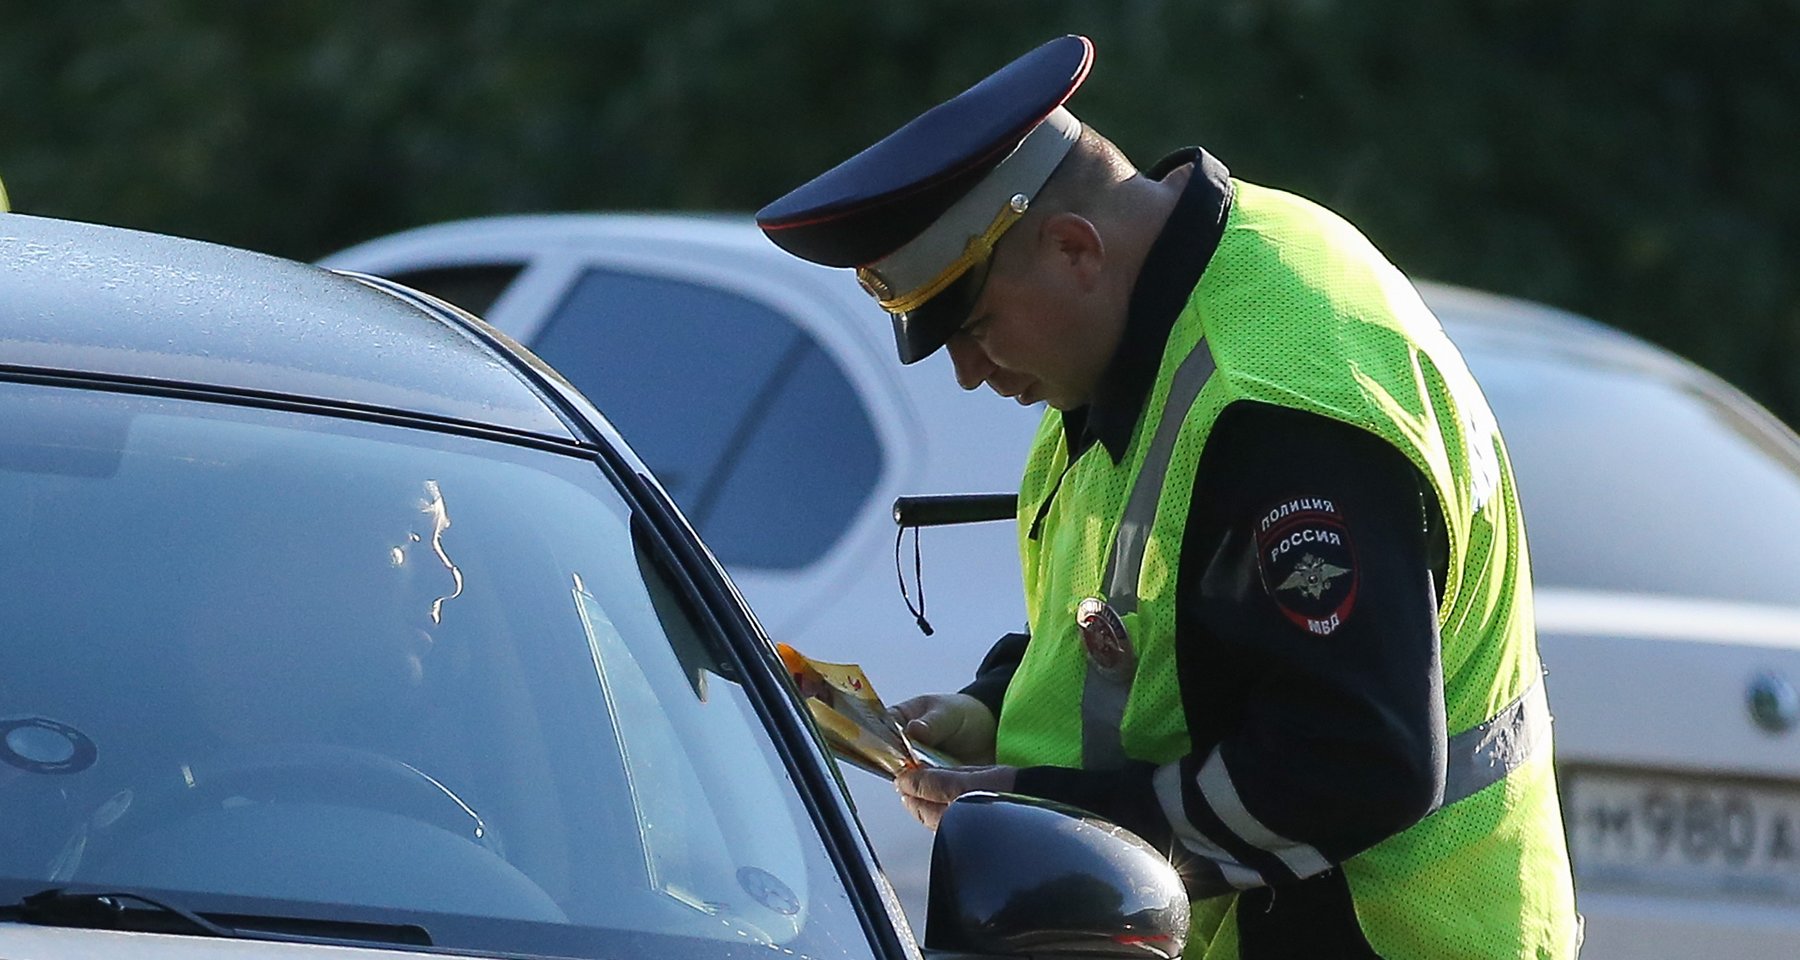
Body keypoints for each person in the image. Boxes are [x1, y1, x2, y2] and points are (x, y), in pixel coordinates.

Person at [756, 34, 1579, 959]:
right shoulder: (1153, 321)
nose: (967, 371)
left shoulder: (1272, 400)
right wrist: (992, 708)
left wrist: (1056, 814)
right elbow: (1155, 621)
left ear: (1074, 247)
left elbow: (1356, 758)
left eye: (975, 326)